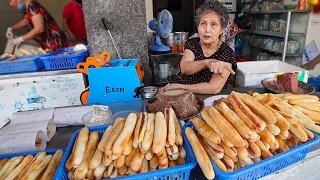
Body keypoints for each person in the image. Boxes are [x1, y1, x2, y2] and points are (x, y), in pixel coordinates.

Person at [161, 0, 237, 95]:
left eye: (213, 24)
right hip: (187, 97)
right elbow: (185, 68)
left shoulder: (227, 53)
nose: (207, 30)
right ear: (198, 26)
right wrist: (206, 63)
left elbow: (213, 88)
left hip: (212, 101)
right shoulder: (192, 43)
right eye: (203, 24)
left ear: (221, 29)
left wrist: (181, 87)